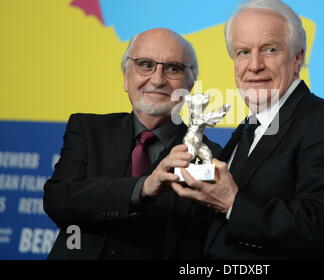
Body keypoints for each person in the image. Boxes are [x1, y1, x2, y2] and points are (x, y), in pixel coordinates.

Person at [172, 0, 324, 259]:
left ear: (298, 58)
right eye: (243, 52)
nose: (254, 65)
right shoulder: (250, 125)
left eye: (270, 49)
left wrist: (233, 204)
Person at [43, 28, 221, 259]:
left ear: (189, 86)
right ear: (126, 77)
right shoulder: (88, 129)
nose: (157, 79)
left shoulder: (208, 157)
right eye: (146, 65)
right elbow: (59, 200)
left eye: (173, 68)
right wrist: (143, 188)